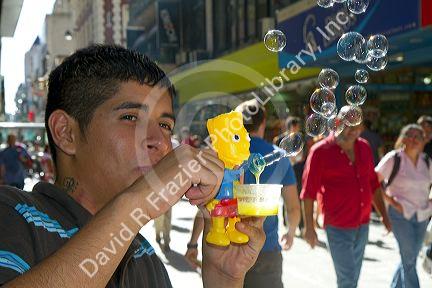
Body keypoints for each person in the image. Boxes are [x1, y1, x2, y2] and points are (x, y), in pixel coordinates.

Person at [0, 45, 266, 287]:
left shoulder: (144, 256)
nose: (160, 143)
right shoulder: (11, 213)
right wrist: (138, 204)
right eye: (130, 117)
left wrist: (223, 277)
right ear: (66, 133)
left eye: (165, 125)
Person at [301, 124, 391, 288]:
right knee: (348, 279)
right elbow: (308, 192)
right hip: (337, 226)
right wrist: (308, 227)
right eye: (349, 125)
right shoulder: (320, 151)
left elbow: (373, 184)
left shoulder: (364, 146)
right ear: (337, 123)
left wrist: (384, 216)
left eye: (357, 126)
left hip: (363, 224)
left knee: (352, 277)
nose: (353, 130)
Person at [237, 100, 301, 288]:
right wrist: (291, 232)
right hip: (266, 248)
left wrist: (192, 243)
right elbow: (293, 206)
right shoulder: (279, 157)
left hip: (228, 247)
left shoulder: (227, 154)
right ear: (263, 122)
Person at [375, 124, 432, 288]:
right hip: (400, 215)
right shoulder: (394, 158)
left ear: (424, 141)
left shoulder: (427, 161)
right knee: (409, 260)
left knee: (410, 258)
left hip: (422, 215)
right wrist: (390, 201)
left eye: (418, 137)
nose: (414, 139)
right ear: (403, 138)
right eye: (410, 135)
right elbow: (373, 181)